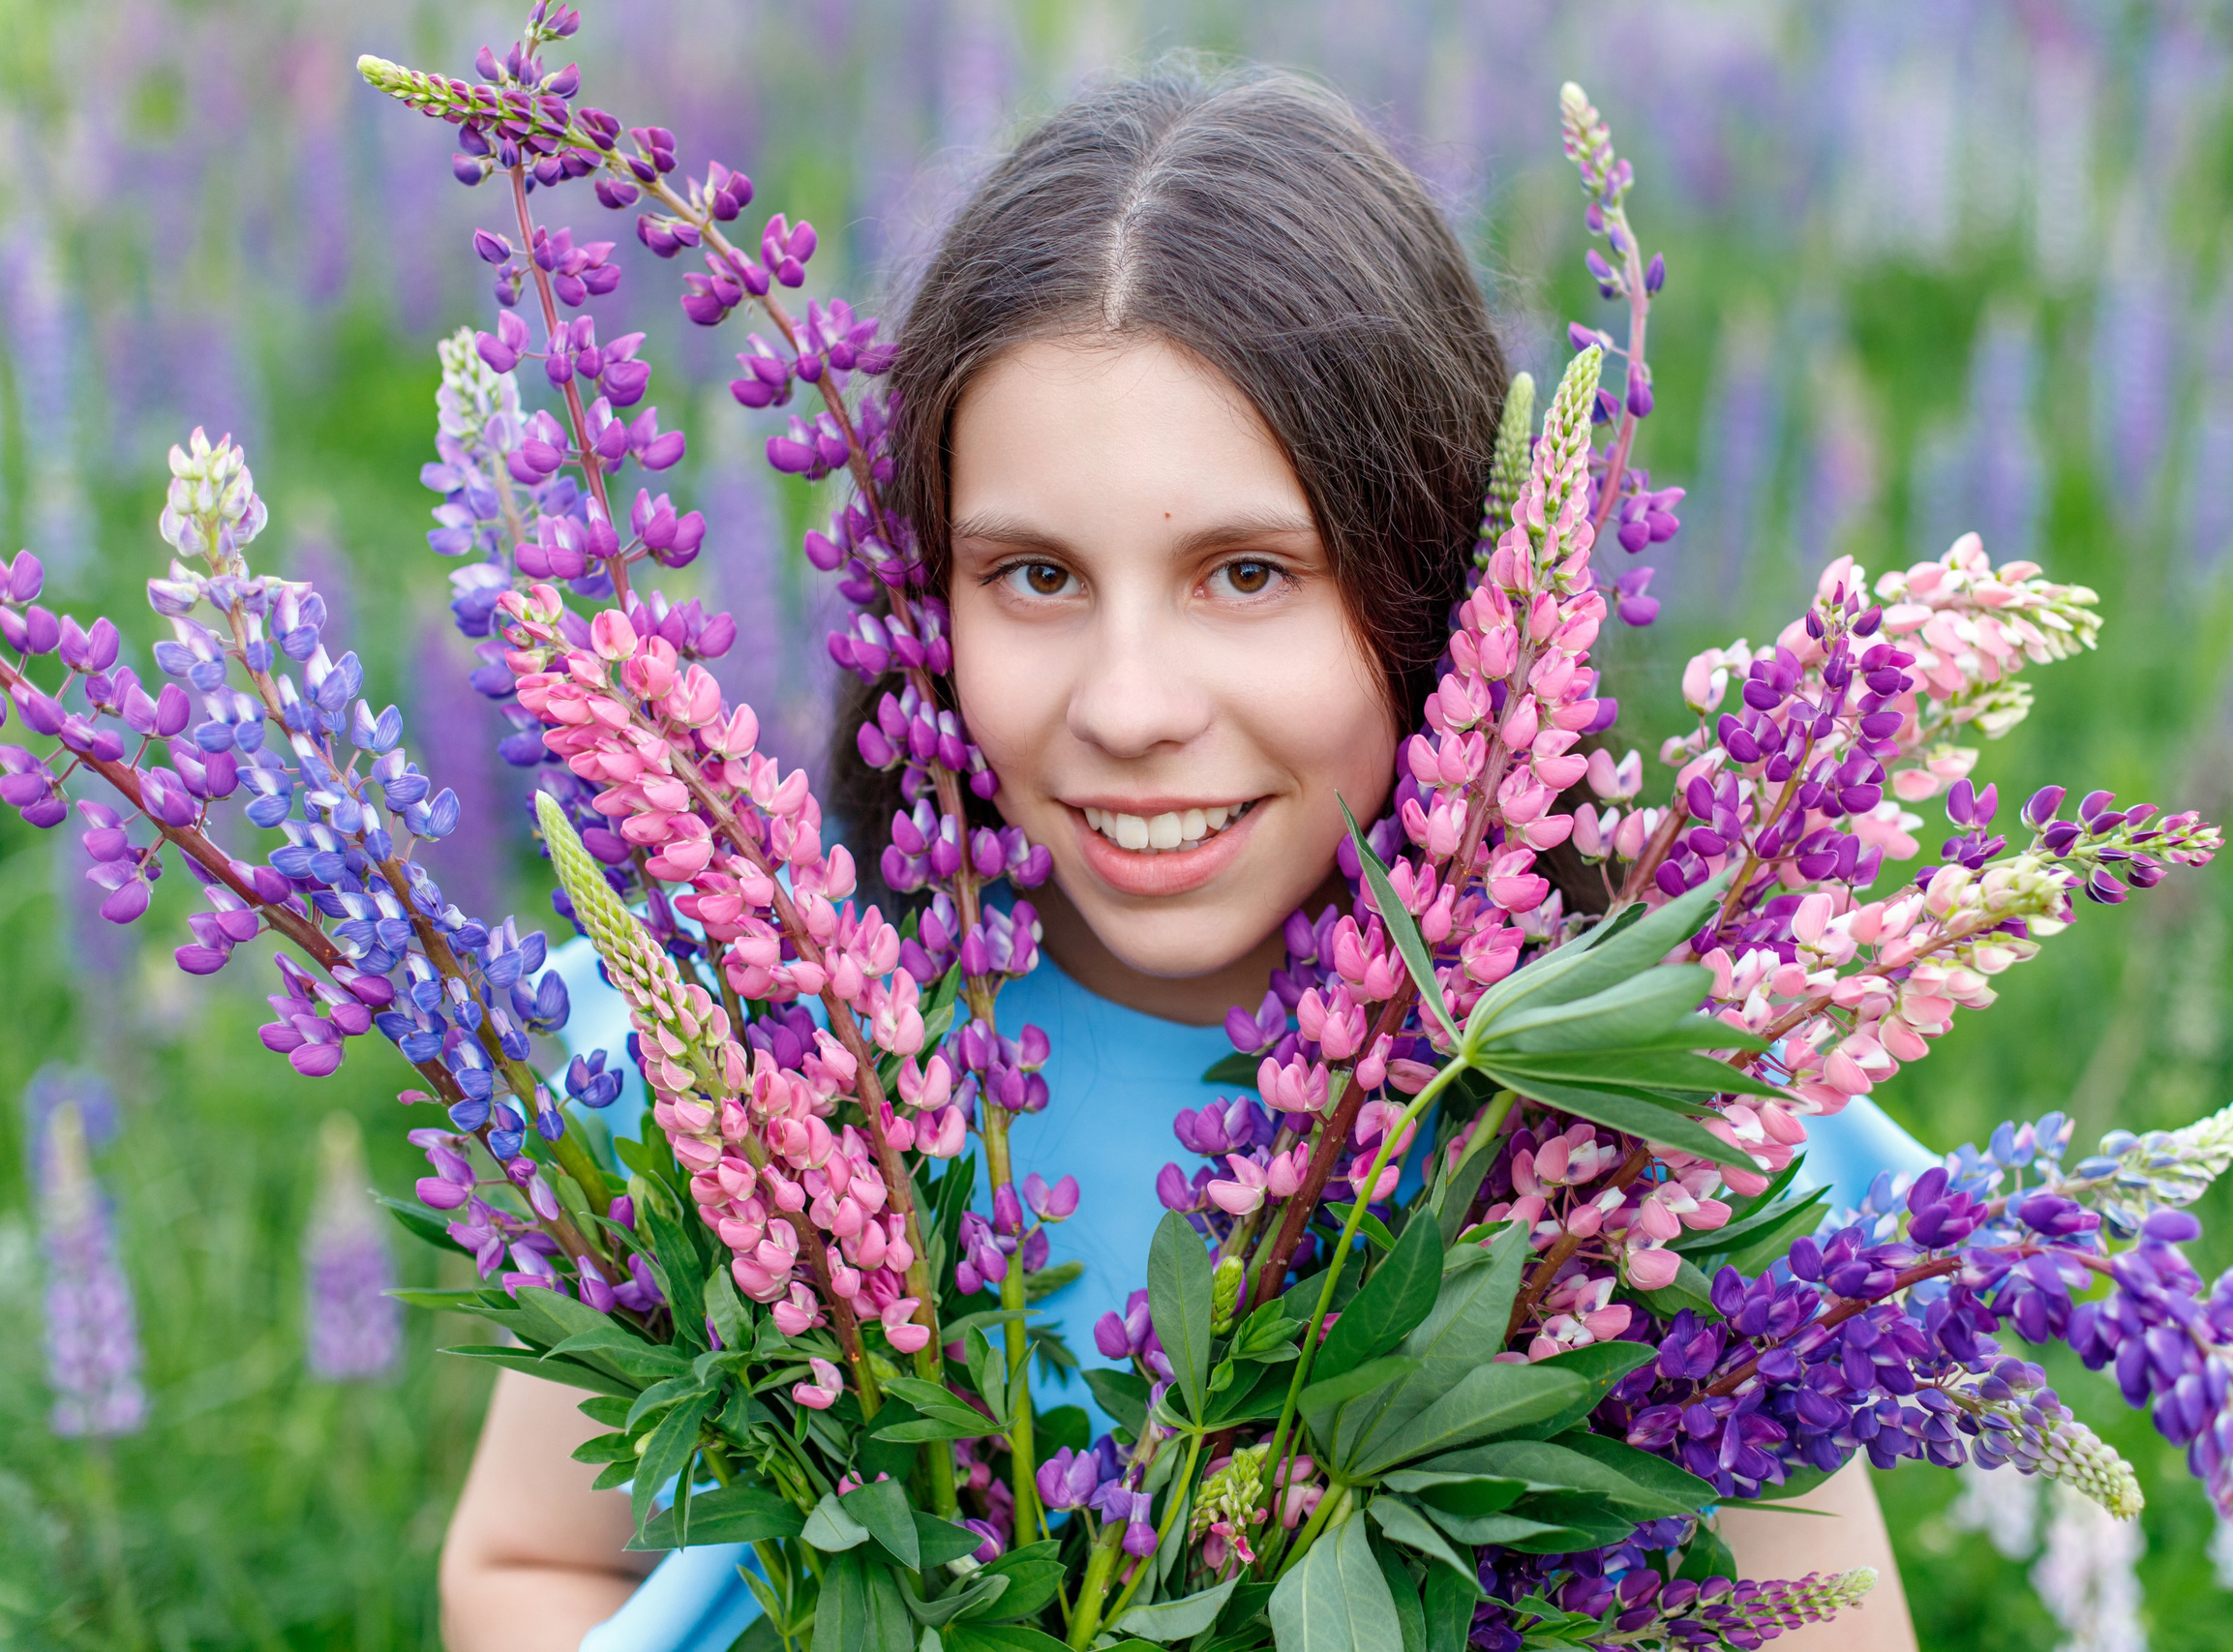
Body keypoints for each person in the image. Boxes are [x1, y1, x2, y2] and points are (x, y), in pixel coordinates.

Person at [437, 66, 1929, 1652]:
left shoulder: (1640, 1125)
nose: (1130, 707)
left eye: (1248, 573)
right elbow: (528, 1569)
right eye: (1034, 575)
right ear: (921, 596)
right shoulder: (736, 1045)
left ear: (1447, 588)